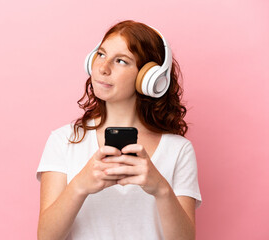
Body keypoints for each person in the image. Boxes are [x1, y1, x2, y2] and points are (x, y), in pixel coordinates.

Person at [36, 20, 202, 240]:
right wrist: (79, 186)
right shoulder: (64, 140)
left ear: (149, 78)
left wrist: (161, 190)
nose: (103, 68)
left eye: (121, 61)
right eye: (101, 55)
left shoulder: (179, 150)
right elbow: (46, 237)